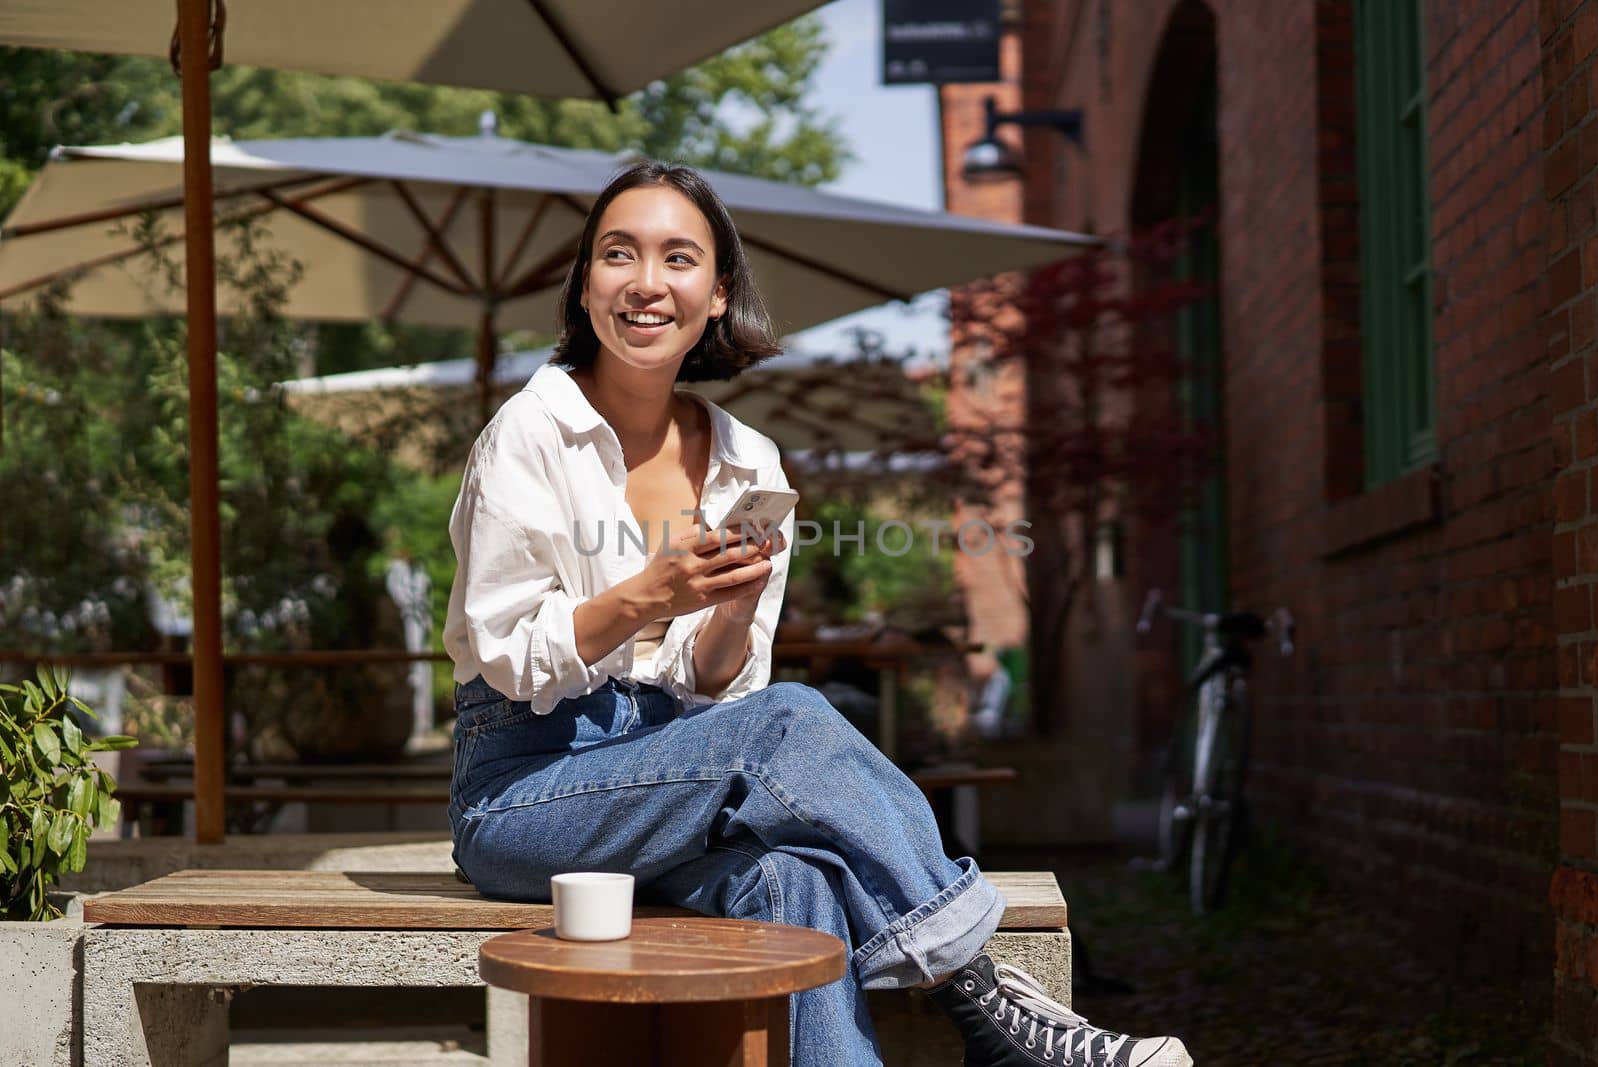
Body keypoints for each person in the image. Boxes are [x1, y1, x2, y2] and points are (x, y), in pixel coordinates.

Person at [443, 160, 1191, 1067]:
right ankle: (985, 1003)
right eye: (617, 255)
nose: (646, 282)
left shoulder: (747, 459)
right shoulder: (531, 431)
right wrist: (653, 592)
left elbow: (718, 687)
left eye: (678, 258)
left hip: (669, 773)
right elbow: (507, 653)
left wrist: (728, 607)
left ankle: (977, 1016)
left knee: (793, 879)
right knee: (793, 718)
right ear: (586, 285)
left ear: (717, 294)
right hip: (524, 791)